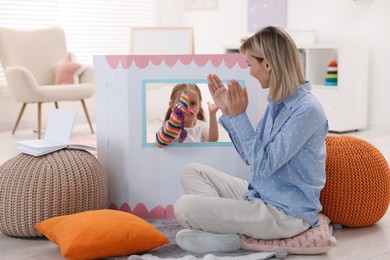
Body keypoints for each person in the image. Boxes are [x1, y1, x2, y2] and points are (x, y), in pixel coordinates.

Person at [174, 26, 329, 253]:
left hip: (284, 213)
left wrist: (239, 116)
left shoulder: (307, 110)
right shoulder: (277, 103)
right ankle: (222, 227)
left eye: (250, 64)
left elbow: (263, 165)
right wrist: (228, 112)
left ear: (267, 63)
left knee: (184, 207)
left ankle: (227, 232)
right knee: (191, 170)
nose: (250, 72)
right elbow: (252, 157)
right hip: (260, 194)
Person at [156, 83, 219, 147]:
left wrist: (212, 113)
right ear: (172, 106)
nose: (187, 108)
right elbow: (159, 143)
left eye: (192, 103)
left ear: (199, 107)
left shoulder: (201, 127)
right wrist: (172, 125)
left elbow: (212, 140)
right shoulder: (169, 127)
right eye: (182, 103)